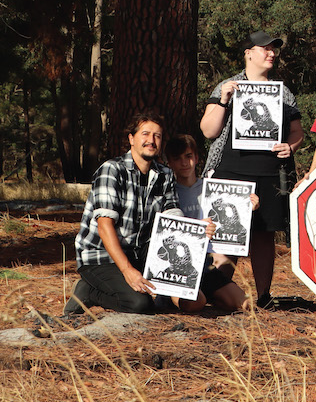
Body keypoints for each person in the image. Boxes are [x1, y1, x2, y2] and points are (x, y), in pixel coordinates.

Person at [64, 113, 214, 315]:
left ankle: (167, 292)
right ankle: (89, 291)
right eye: (145, 134)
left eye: (157, 136)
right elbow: (104, 226)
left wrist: (197, 229)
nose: (151, 140)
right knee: (140, 304)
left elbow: (173, 218)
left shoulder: (165, 175)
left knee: (195, 301)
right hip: (101, 256)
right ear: (131, 138)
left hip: (140, 252)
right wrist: (127, 271)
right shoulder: (112, 170)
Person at [199, 31, 304, 309]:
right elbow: (208, 131)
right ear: (248, 53)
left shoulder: (283, 92)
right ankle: (219, 291)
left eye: (273, 49)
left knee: (264, 235)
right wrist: (224, 99)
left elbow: (297, 132)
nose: (271, 53)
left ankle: (264, 297)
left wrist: (291, 146)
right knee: (227, 235)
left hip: (270, 174)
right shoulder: (227, 86)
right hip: (231, 172)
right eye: (265, 48)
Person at [165, 134, 255, 311]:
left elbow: (233, 220)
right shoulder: (168, 192)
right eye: (177, 158)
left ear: (197, 157)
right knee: (195, 303)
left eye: (188, 156)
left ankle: (213, 295)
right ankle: (168, 298)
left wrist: (248, 205)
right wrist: (198, 228)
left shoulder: (212, 189)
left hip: (207, 265)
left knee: (245, 304)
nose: (184, 163)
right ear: (170, 163)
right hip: (182, 268)